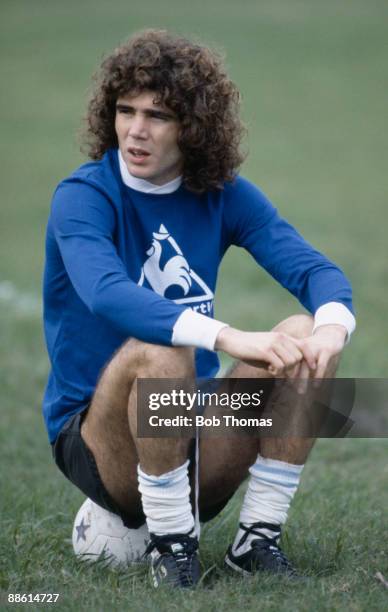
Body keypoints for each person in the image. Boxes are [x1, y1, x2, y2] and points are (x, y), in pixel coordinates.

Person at [43, 29, 355, 589]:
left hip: (189, 429)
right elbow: (107, 293)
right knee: (164, 345)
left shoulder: (222, 193)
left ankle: (257, 539)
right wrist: (230, 337)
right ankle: (172, 549)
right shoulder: (83, 195)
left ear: (193, 126)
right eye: (125, 110)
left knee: (304, 328)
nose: (135, 130)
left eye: (158, 115)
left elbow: (315, 272)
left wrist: (332, 331)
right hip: (96, 436)